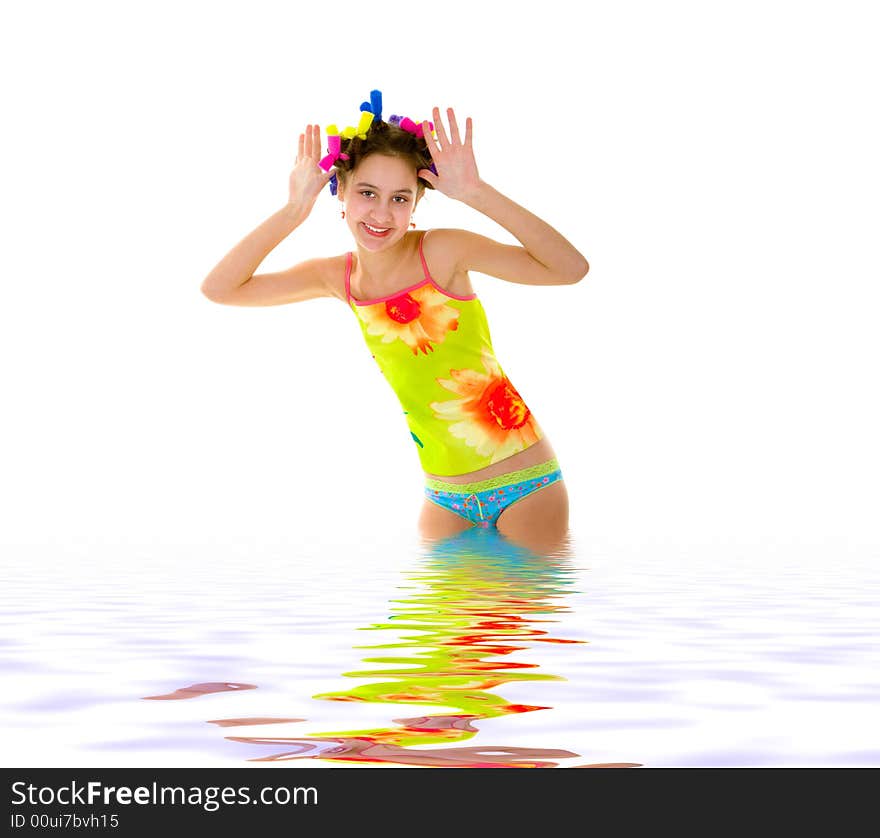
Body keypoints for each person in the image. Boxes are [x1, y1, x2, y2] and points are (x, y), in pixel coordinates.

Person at [200, 90, 589, 553]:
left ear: (416, 203)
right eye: (367, 193)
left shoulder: (442, 252)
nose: (382, 214)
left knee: (514, 626)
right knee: (431, 626)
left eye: (399, 198)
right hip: (445, 499)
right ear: (340, 191)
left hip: (525, 483)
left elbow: (570, 269)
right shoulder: (337, 277)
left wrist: (477, 193)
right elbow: (220, 288)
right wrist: (292, 211)